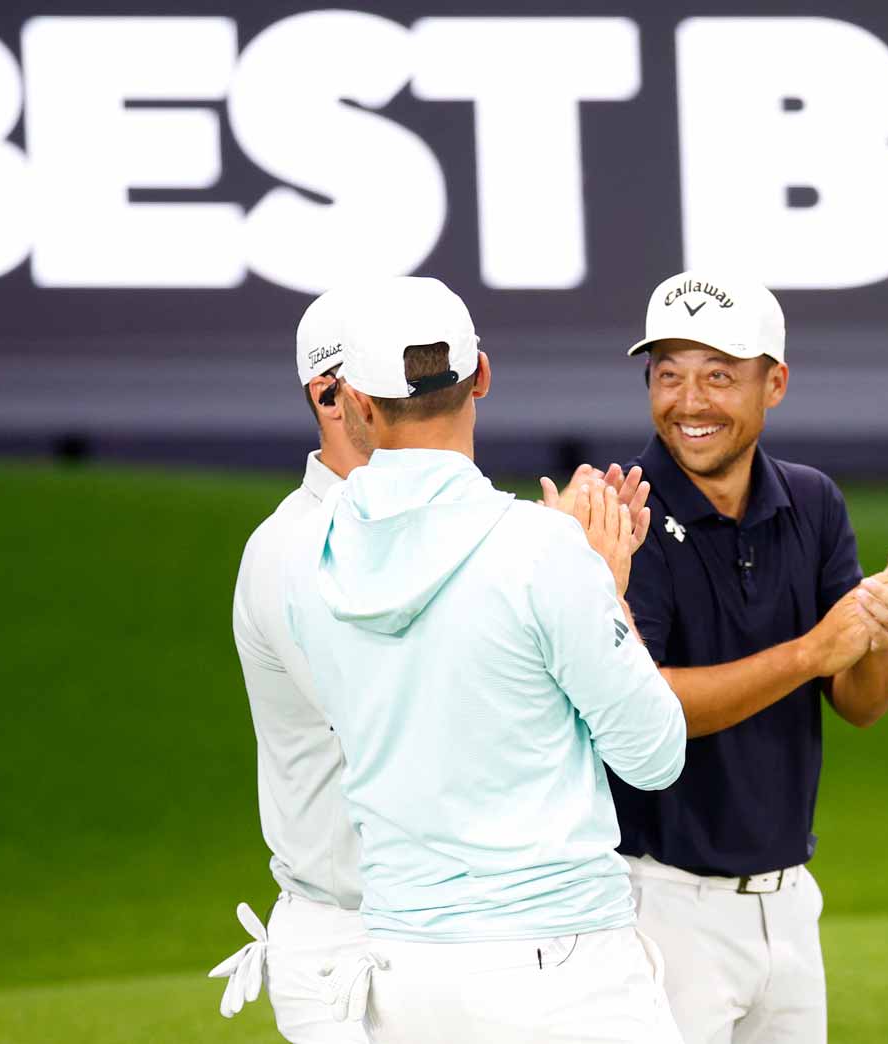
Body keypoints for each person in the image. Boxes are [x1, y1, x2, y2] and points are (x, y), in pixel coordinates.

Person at [283, 275, 689, 1043]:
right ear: (482, 375)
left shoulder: (309, 557)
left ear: (360, 404)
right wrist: (606, 588)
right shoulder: (544, 552)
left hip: (405, 973)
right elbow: (655, 754)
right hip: (564, 972)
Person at [611, 270, 888, 1044]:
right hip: (659, 904)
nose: (689, 403)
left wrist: (877, 631)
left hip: (789, 901)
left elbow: (862, 702)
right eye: (668, 375)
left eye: (719, 376)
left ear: (774, 383)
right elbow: (645, 708)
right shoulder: (624, 510)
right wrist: (811, 651)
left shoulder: (812, 502)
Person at [210, 286, 375, 1041]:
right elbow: (395, 718)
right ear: (329, 394)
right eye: (399, 378)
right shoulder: (288, 550)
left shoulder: (463, 529)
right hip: (350, 948)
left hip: (458, 935)